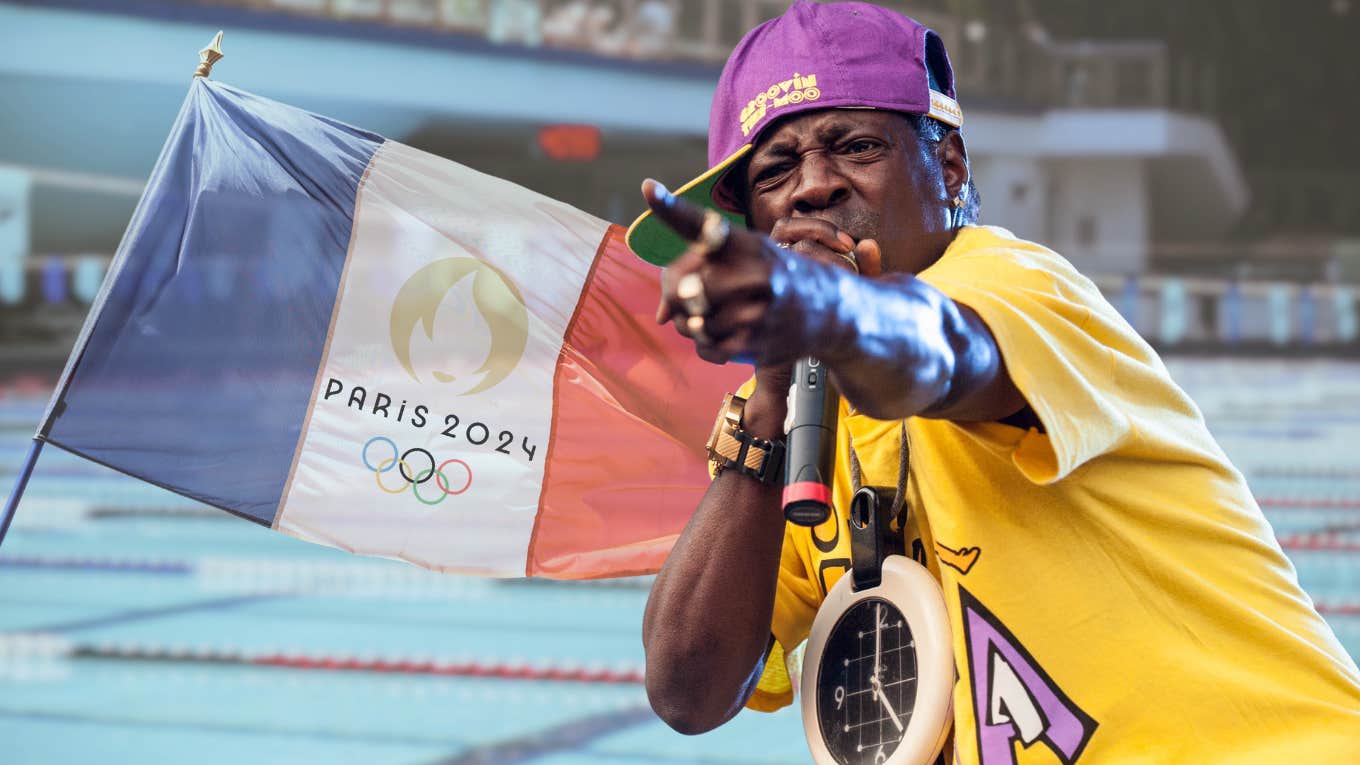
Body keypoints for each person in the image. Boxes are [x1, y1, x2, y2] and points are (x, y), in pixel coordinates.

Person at [624, 1, 1360, 762]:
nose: (813, 187)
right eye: (775, 170)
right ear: (754, 220)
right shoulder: (789, 407)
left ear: (948, 168)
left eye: (856, 146)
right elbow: (687, 689)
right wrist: (771, 402)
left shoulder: (1020, 287)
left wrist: (821, 308)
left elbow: (941, 355)